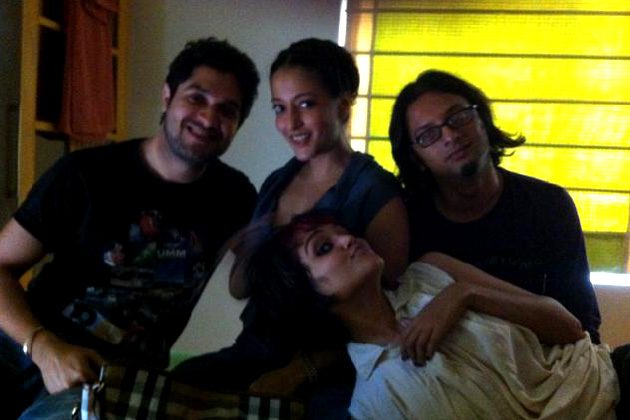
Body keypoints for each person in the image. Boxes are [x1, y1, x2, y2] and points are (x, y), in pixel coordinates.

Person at [0, 37, 259, 420]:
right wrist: (44, 347)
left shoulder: (234, 197)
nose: (208, 118)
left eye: (227, 110)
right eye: (196, 98)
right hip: (25, 345)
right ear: (167, 96)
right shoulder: (85, 174)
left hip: (114, 379)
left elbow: (254, 281)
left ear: (238, 124)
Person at [171, 38, 409, 419]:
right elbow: (242, 287)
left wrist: (300, 372)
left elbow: (389, 319)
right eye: (280, 108)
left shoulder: (374, 191)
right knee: (176, 387)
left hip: (334, 372)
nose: (290, 123)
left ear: (343, 105)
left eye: (305, 104)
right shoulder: (277, 183)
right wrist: (242, 243)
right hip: (257, 350)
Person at [245, 213, 623, 420]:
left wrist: (464, 294)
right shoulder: (376, 401)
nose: (347, 240)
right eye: (324, 248)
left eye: (341, 232)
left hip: (608, 375)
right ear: (309, 295)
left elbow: (570, 327)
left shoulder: (430, 272)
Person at [389, 69, 601, 345]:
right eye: (428, 134)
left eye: (458, 117)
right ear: (416, 157)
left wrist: (466, 294)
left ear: (483, 120)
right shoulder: (405, 221)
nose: (450, 135)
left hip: (548, 361)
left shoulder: (548, 205)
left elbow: (582, 327)